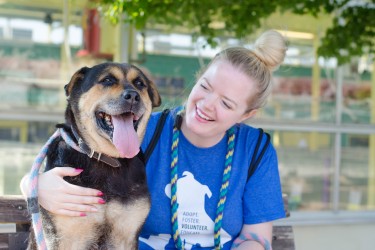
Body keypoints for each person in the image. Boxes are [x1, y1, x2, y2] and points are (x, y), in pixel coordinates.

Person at [21, 30, 287, 250]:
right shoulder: (140, 131)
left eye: (227, 103)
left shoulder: (255, 150)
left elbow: (255, 238)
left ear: (247, 114)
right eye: (205, 87)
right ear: (197, 79)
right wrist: (34, 185)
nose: (207, 105)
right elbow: (76, 151)